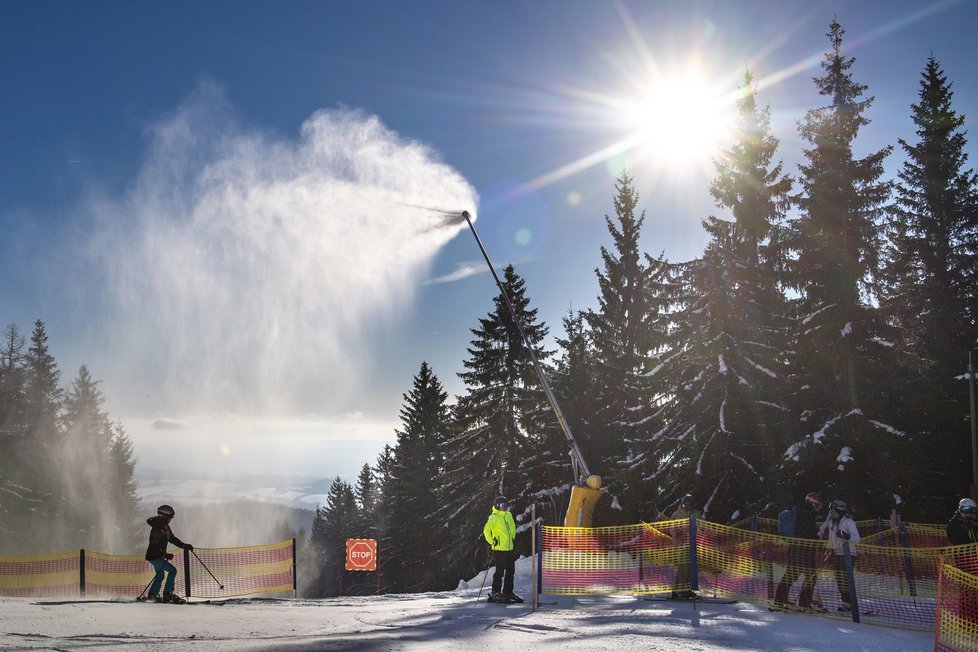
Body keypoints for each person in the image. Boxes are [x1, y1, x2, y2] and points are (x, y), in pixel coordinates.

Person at [774, 492, 823, 610]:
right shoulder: (807, 512)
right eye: (818, 504)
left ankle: (780, 600)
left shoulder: (799, 510)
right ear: (814, 502)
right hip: (804, 549)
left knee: (792, 574)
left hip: (795, 548)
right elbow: (808, 532)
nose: (819, 507)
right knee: (811, 575)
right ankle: (804, 603)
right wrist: (819, 544)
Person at [142, 504, 194, 603]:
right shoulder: (156, 529)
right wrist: (164, 555)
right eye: (170, 517)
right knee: (172, 571)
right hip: (154, 556)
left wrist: (184, 546)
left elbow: (172, 539)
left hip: (157, 556)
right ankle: (168, 594)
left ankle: (153, 595)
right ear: (164, 516)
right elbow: (153, 547)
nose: (170, 519)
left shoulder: (165, 527)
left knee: (160, 575)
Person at [818, 499, 860, 612]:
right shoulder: (831, 521)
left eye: (834, 511)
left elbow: (857, 538)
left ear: (841, 511)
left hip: (848, 554)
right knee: (840, 580)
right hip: (836, 553)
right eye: (831, 511)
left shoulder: (849, 522)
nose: (832, 513)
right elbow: (827, 533)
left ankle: (852, 604)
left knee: (847, 580)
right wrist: (828, 548)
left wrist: (846, 536)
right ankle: (846, 603)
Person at [483, 495, 521, 603]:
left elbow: (513, 528)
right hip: (499, 548)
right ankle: (496, 592)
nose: (504, 507)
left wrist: (512, 539)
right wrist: (492, 541)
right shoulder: (493, 517)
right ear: (497, 505)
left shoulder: (508, 515)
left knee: (510, 570)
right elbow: (486, 531)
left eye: (505, 505)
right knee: (499, 571)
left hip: (509, 548)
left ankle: (508, 592)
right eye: (502, 505)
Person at [671, 494, 699, 599]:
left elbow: (701, 526)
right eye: (685, 504)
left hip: (692, 546)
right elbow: (672, 530)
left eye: (689, 505)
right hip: (680, 546)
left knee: (690, 568)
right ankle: (678, 590)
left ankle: (686, 589)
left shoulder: (695, 514)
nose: (686, 507)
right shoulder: (676, 514)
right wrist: (679, 537)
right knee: (682, 568)